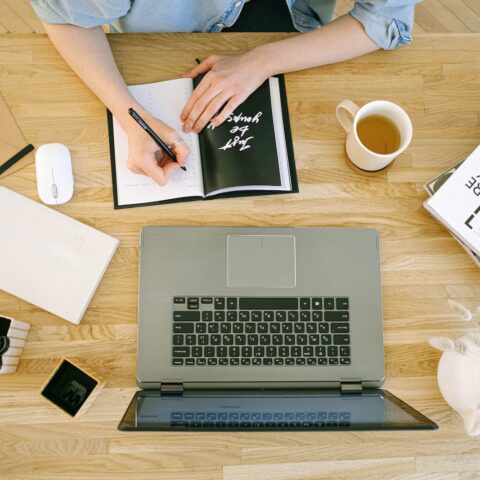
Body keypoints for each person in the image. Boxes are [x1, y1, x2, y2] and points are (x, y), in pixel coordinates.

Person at [30, 0, 419, 186]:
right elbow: (65, 17)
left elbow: (385, 18)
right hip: (155, 41)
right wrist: (129, 113)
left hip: (291, 29)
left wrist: (260, 61)